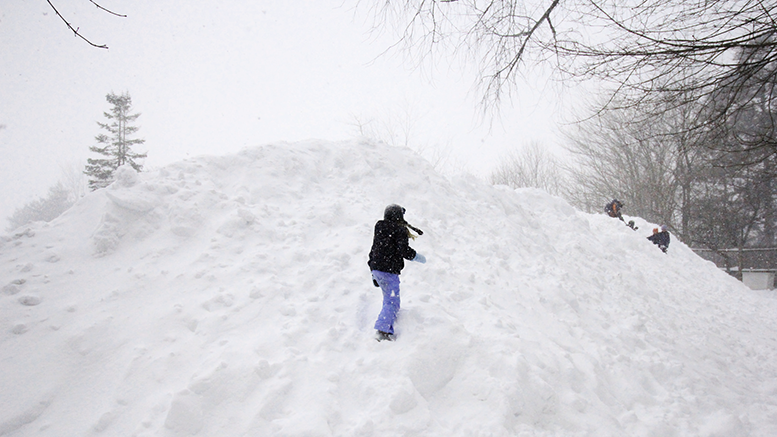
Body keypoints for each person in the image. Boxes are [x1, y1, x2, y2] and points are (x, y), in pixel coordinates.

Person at [367, 204, 426, 341]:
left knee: (388, 299)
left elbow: (374, 249)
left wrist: (373, 271)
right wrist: (417, 257)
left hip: (376, 268)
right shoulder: (399, 230)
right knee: (392, 302)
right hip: (388, 272)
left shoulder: (380, 228)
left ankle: (385, 327)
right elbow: (403, 250)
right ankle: (382, 331)